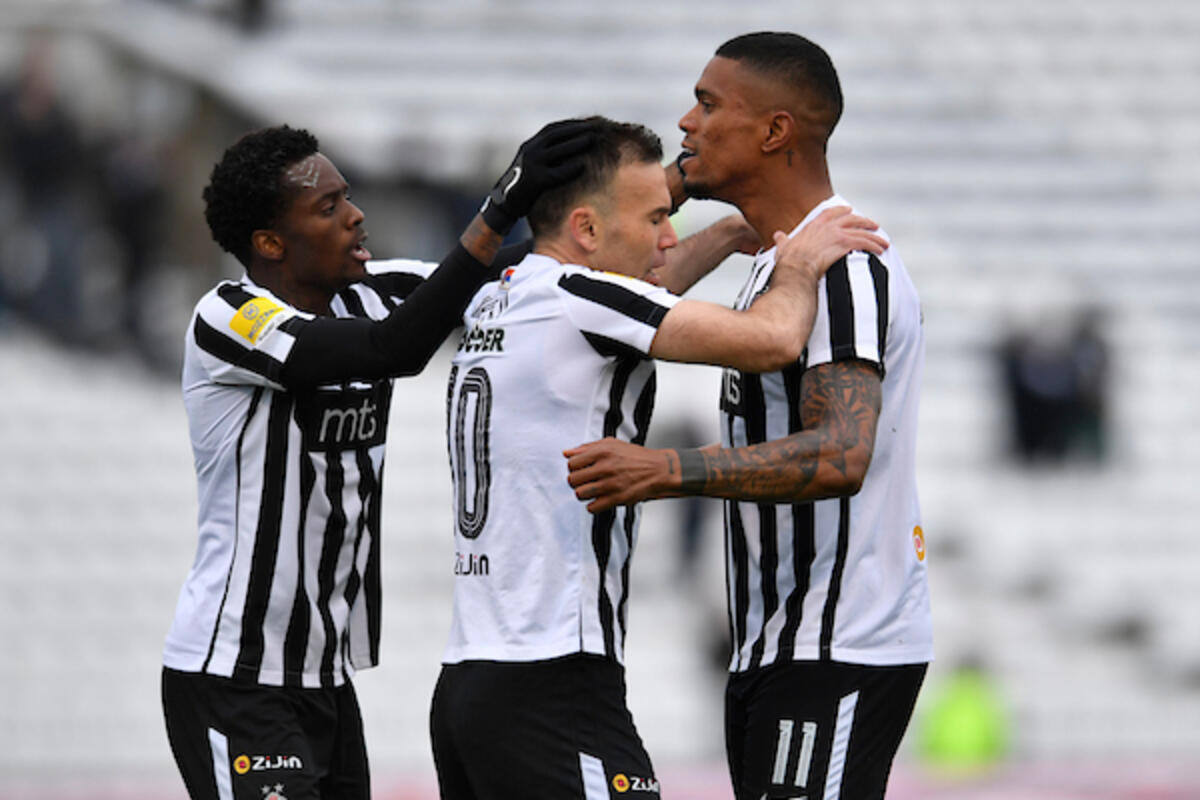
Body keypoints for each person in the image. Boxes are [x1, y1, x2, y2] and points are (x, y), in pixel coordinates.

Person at [431, 116, 886, 800]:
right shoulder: (582, 298)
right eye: (654, 218)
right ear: (587, 229)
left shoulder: (503, 295)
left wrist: (728, 234)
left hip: (471, 681)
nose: (668, 236)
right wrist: (795, 266)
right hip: (554, 681)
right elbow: (773, 340)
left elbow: (640, 287)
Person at [161, 119, 595, 800]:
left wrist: (669, 189)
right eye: (328, 207)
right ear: (271, 243)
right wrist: (497, 207)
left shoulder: (374, 289)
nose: (356, 216)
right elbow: (392, 349)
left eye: (349, 197)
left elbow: (533, 278)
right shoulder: (230, 317)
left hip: (326, 681)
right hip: (234, 676)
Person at [565, 33, 932, 800]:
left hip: (835, 645)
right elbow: (603, 289)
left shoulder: (841, 267)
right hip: (777, 646)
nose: (686, 123)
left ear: (774, 131)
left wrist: (666, 470)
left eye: (707, 104)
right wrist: (714, 211)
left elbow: (840, 454)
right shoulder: (782, 264)